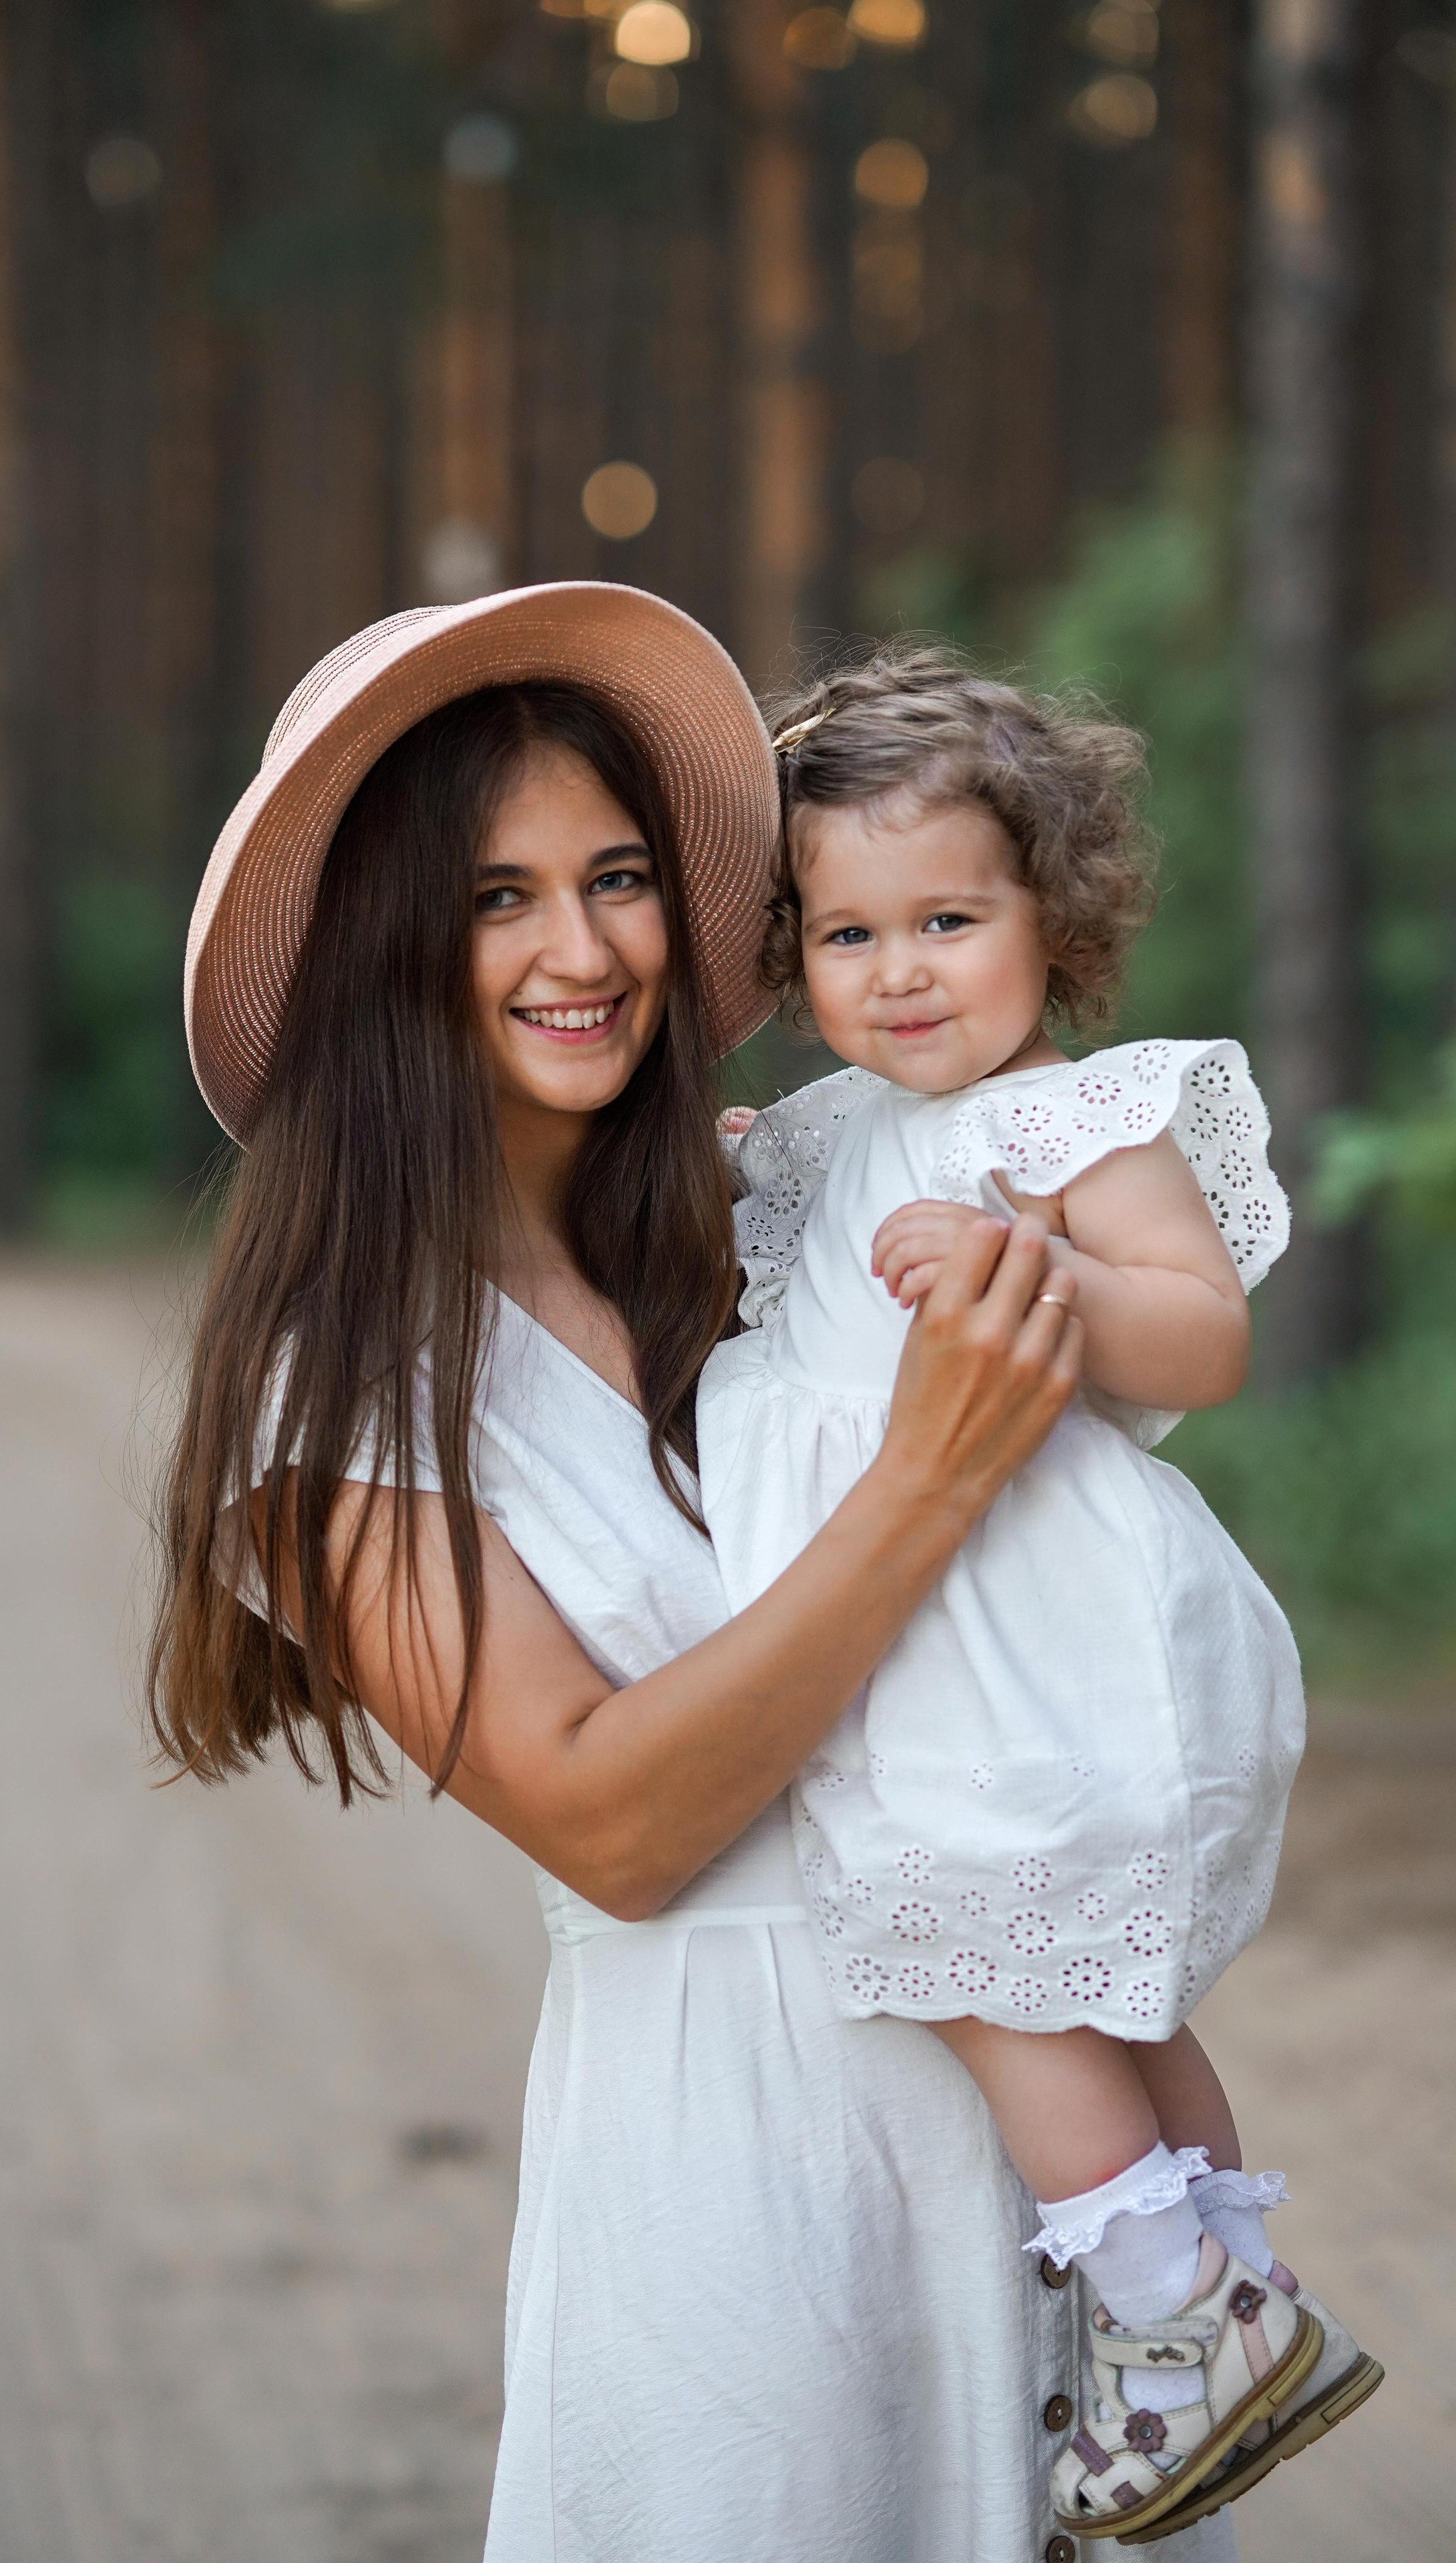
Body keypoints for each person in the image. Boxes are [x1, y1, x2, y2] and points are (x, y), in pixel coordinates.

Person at [150, 582, 1240, 2562]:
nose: (581, 952)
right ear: (384, 943)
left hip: (1038, 2140)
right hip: (743, 2192)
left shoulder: (757, 1231)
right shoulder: (345, 1389)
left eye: (620, 879)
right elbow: (617, 1828)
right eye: (495, 899)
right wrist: (921, 1485)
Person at [699, 645, 1382, 2540]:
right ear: (792, 957)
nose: (902, 972)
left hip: (1025, 1636)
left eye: (949, 920)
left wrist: (1044, 1276)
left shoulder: (1076, 1120)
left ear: (1051, 919)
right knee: (1098, 1988)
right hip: (920, 1635)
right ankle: (1219, 2298)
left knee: (992, 1971)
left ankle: (1176, 2311)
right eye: (848, 936)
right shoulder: (824, 1137)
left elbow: (1205, 1336)